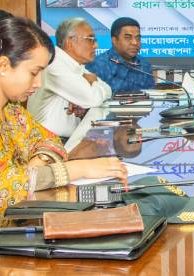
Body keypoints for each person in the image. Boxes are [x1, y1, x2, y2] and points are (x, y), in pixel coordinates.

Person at [0, 16, 127, 214]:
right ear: (3, 66)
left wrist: (37, 167)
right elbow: (4, 188)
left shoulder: (12, 110)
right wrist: (77, 169)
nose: (39, 83)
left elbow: (51, 141)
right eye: (34, 73)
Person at [27, 17, 112, 139]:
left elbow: (108, 89)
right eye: (90, 40)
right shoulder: (55, 63)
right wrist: (93, 82)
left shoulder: (74, 64)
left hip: (64, 139)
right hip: (46, 141)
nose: (96, 45)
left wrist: (93, 84)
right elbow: (93, 99)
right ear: (70, 42)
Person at [86, 17, 154, 92]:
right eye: (128, 38)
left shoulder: (144, 64)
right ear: (114, 40)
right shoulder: (97, 64)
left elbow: (151, 93)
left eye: (138, 38)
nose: (135, 42)